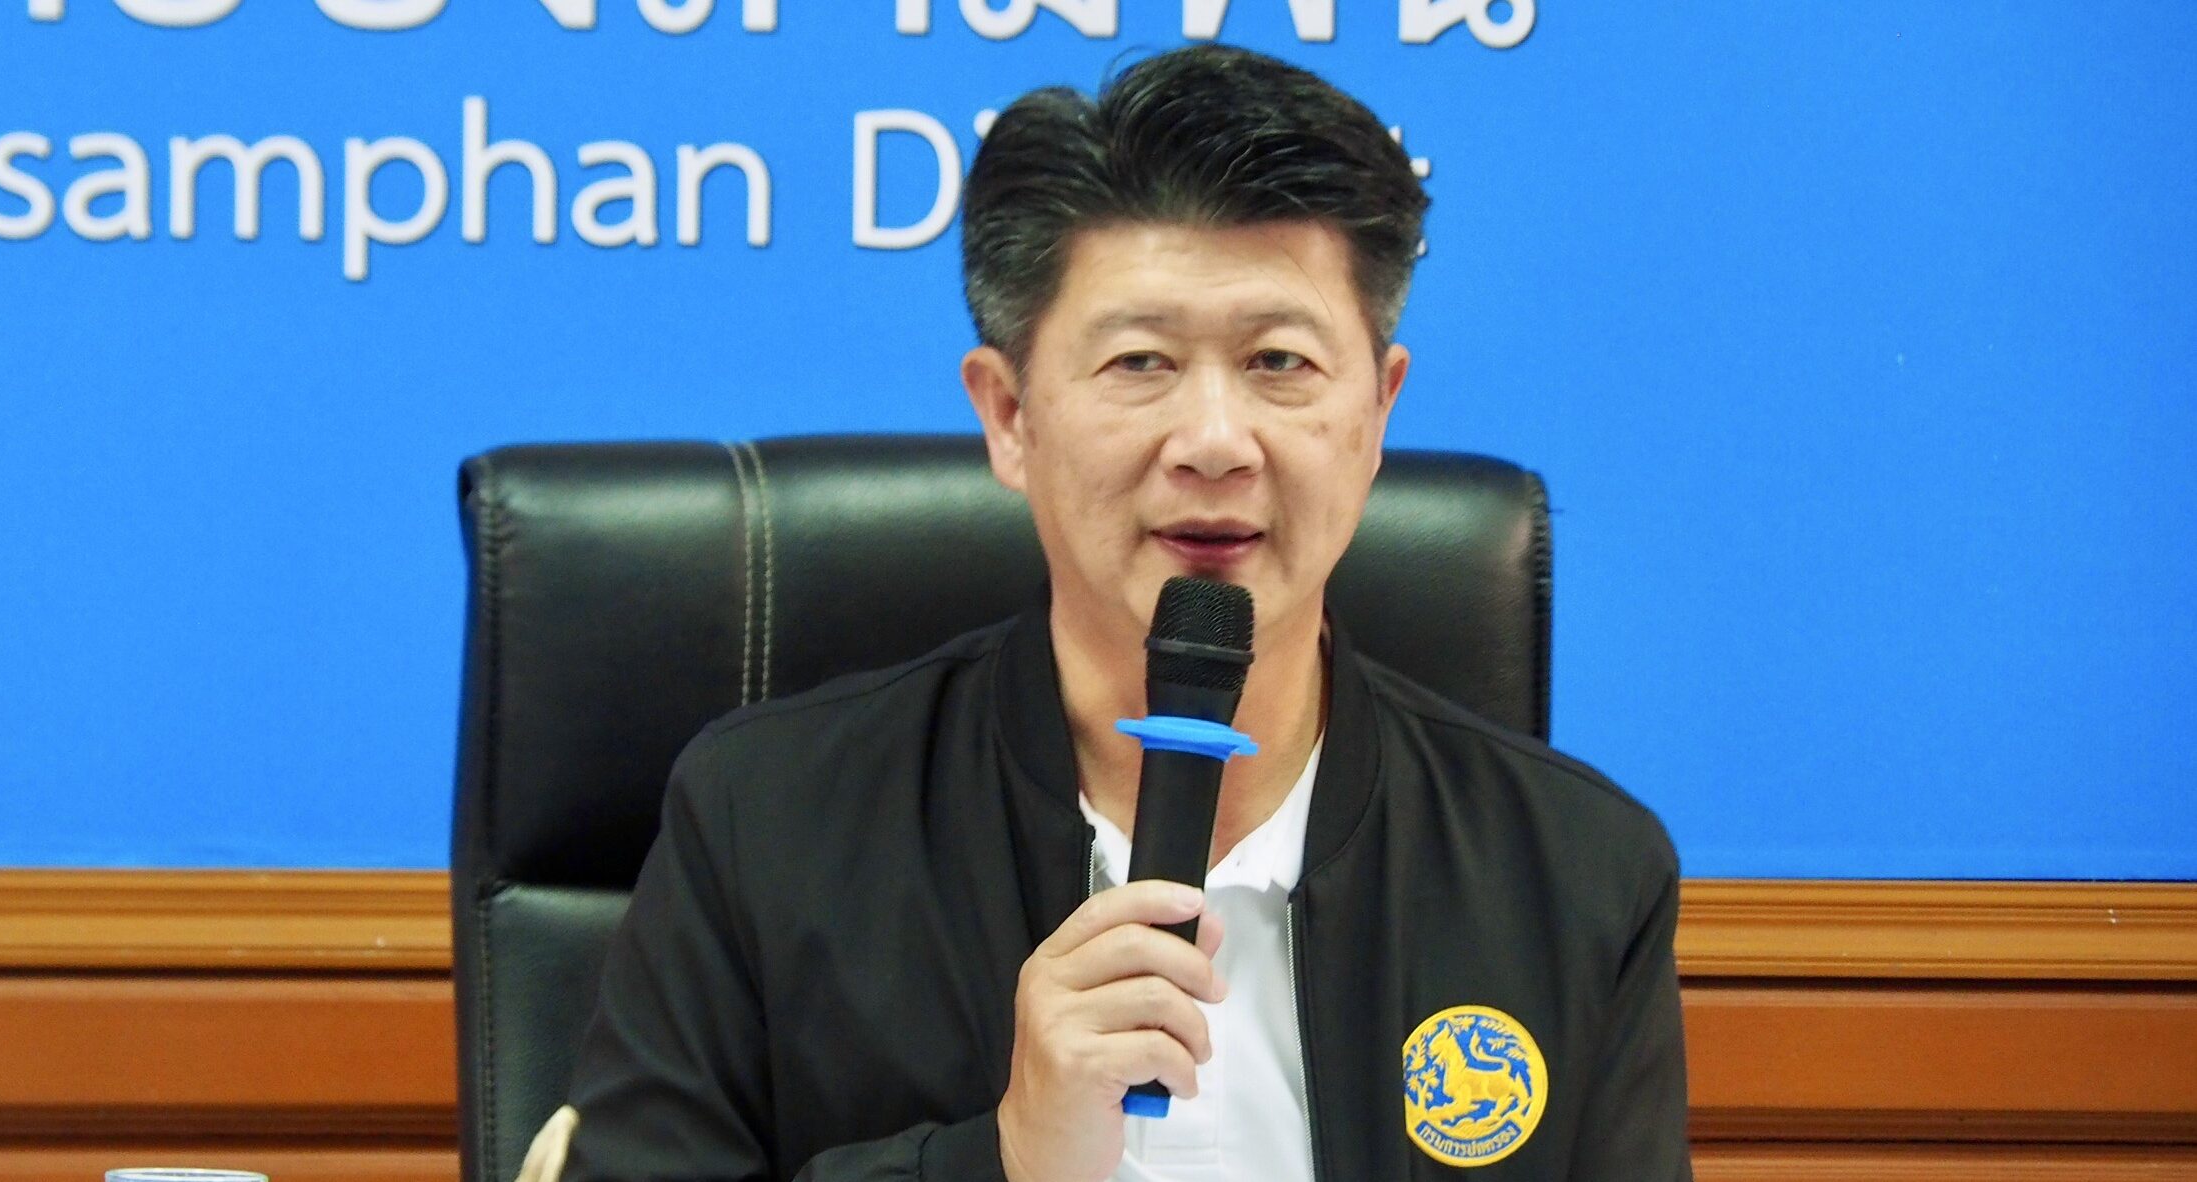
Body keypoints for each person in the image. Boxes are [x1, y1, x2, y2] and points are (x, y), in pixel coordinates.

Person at [551, 44, 1690, 1182]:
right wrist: (1005, 1160)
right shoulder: (766, 825)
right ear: (1008, 416)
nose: (1214, 442)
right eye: (1141, 362)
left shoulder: (1575, 875)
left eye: (1279, 361)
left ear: (1379, 409)